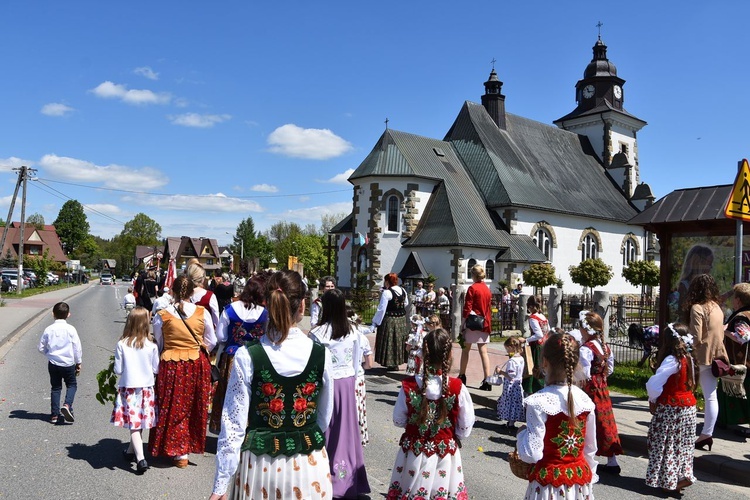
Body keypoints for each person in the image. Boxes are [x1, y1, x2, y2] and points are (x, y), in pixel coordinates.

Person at [210, 270, 334, 500]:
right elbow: (324, 418)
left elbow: (233, 427)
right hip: (309, 464)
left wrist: (220, 486)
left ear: (267, 304)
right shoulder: (322, 355)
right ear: (302, 306)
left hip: (260, 466)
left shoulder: (247, 356)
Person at [386, 328, 475, 499]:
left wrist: (417, 426)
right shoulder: (457, 387)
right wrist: (451, 435)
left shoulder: (409, 385)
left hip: (414, 452)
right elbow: (465, 426)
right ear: (449, 355)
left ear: (423, 353)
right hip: (444, 455)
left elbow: (398, 419)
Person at [517, 331, 598, 499]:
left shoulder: (538, 402)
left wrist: (522, 435)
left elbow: (532, 454)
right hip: (579, 482)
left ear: (545, 362)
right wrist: (588, 475)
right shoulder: (585, 401)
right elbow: (590, 448)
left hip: (549, 485)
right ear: (576, 364)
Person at [148, 275, 216, 468]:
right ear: (192, 292)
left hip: (171, 364)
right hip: (196, 363)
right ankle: (184, 450)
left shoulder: (163, 314)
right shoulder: (203, 313)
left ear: (174, 291)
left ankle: (172, 447)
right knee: (192, 406)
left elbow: (159, 343)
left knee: (171, 406)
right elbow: (211, 341)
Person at [310, 289, 371, 498]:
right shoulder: (353, 331)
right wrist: (353, 381)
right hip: (347, 384)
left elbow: (314, 365)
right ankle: (347, 478)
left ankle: (325, 475)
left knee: (326, 428)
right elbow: (357, 362)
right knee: (346, 432)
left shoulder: (317, 333)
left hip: (327, 384)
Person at [210, 271, 271, 434]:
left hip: (232, 357)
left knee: (230, 396)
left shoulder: (230, 309)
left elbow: (221, 336)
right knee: (253, 397)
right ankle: (250, 430)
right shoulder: (265, 313)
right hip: (256, 357)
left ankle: (228, 431)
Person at [645, 322, 697, 495]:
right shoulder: (689, 358)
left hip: (671, 408)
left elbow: (654, 383)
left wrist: (653, 399)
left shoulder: (671, 360)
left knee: (665, 443)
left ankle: (669, 480)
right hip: (688, 407)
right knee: (682, 444)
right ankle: (682, 474)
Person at [111, 306, 159, 474]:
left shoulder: (122, 344)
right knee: (139, 422)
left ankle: (140, 458)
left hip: (129, 388)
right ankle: (131, 452)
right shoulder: (151, 345)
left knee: (134, 423)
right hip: (146, 387)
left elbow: (118, 369)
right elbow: (156, 369)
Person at [684, 273, 728, 450]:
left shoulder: (697, 308)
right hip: (716, 356)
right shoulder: (717, 307)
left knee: (687, 392)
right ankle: (706, 434)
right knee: (711, 396)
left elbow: (695, 336)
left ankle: (685, 430)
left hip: (699, 356)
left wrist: (683, 346)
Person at [578, 310, 623, 473]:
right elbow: (610, 369)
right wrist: (601, 378)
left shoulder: (586, 348)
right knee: (606, 422)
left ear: (587, 329)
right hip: (602, 387)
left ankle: (585, 458)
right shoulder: (604, 346)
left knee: (589, 421)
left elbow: (584, 373)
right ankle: (612, 460)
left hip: (590, 389)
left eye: (581, 327)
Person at [38, 302, 82, 424]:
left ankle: (54, 415)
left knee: (56, 388)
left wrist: (49, 354)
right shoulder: (71, 329)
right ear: (68, 315)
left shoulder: (49, 329)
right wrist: (78, 362)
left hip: (53, 363)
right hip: (68, 363)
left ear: (53, 314)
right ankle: (67, 405)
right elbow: (77, 347)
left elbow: (41, 347)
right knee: (72, 385)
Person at [719, 282, 750, 434]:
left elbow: (743, 337)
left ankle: (726, 422)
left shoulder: (741, 316)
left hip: (740, 364)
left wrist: (724, 331)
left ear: (738, 300)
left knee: (734, 392)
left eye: (734, 298)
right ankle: (724, 421)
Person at [458, 264, 493, 390]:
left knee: (465, 350)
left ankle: (462, 376)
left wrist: (462, 324)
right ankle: (487, 380)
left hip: (473, 323)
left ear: (473, 275)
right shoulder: (487, 289)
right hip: (484, 322)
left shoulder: (472, 288)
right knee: (484, 352)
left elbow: (467, 308)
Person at [346, 305, 374, 447]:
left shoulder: (341, 336)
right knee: (358, 407)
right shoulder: (362, 337)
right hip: (359, 378)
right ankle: (358, 437)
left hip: (344, 377)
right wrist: (362, 367)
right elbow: (370, 363)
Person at [372, 272, 410, 370]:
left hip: (390, 319)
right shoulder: (403, 290)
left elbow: (381, 309)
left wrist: (375, 322)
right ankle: (396, 362)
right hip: (401, 320)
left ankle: (390, 363)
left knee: (390, 340)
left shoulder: (387, 292)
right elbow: (406, 303)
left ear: (388, 281)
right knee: (399, 340)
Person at [494, 336, 525, 434]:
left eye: (507, 349)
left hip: (511, 386)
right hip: (518, 384)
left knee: (510, 403)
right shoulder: (521, 358)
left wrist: (501, 372)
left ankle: (510, 424)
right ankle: (511, 422)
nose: (507, 351)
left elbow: (511, 375)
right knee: (515, 404)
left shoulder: (512, 361)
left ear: (511, 347)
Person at [522, 295, 548, 395]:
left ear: (532, 306)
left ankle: (532, 389)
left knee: (532, 367)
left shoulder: (533, 318)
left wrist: (526, 340)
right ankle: (542, 387)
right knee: (541, 366)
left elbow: (538, 334)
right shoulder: (543, 317)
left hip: (536, 346)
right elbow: (547, 331)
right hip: (544, 344)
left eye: (529, 307)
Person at [187, 263, 221, 329]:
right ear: (202, 279)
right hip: (205, 334)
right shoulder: (210, 296)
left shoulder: (182, 294)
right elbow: (216, 320)